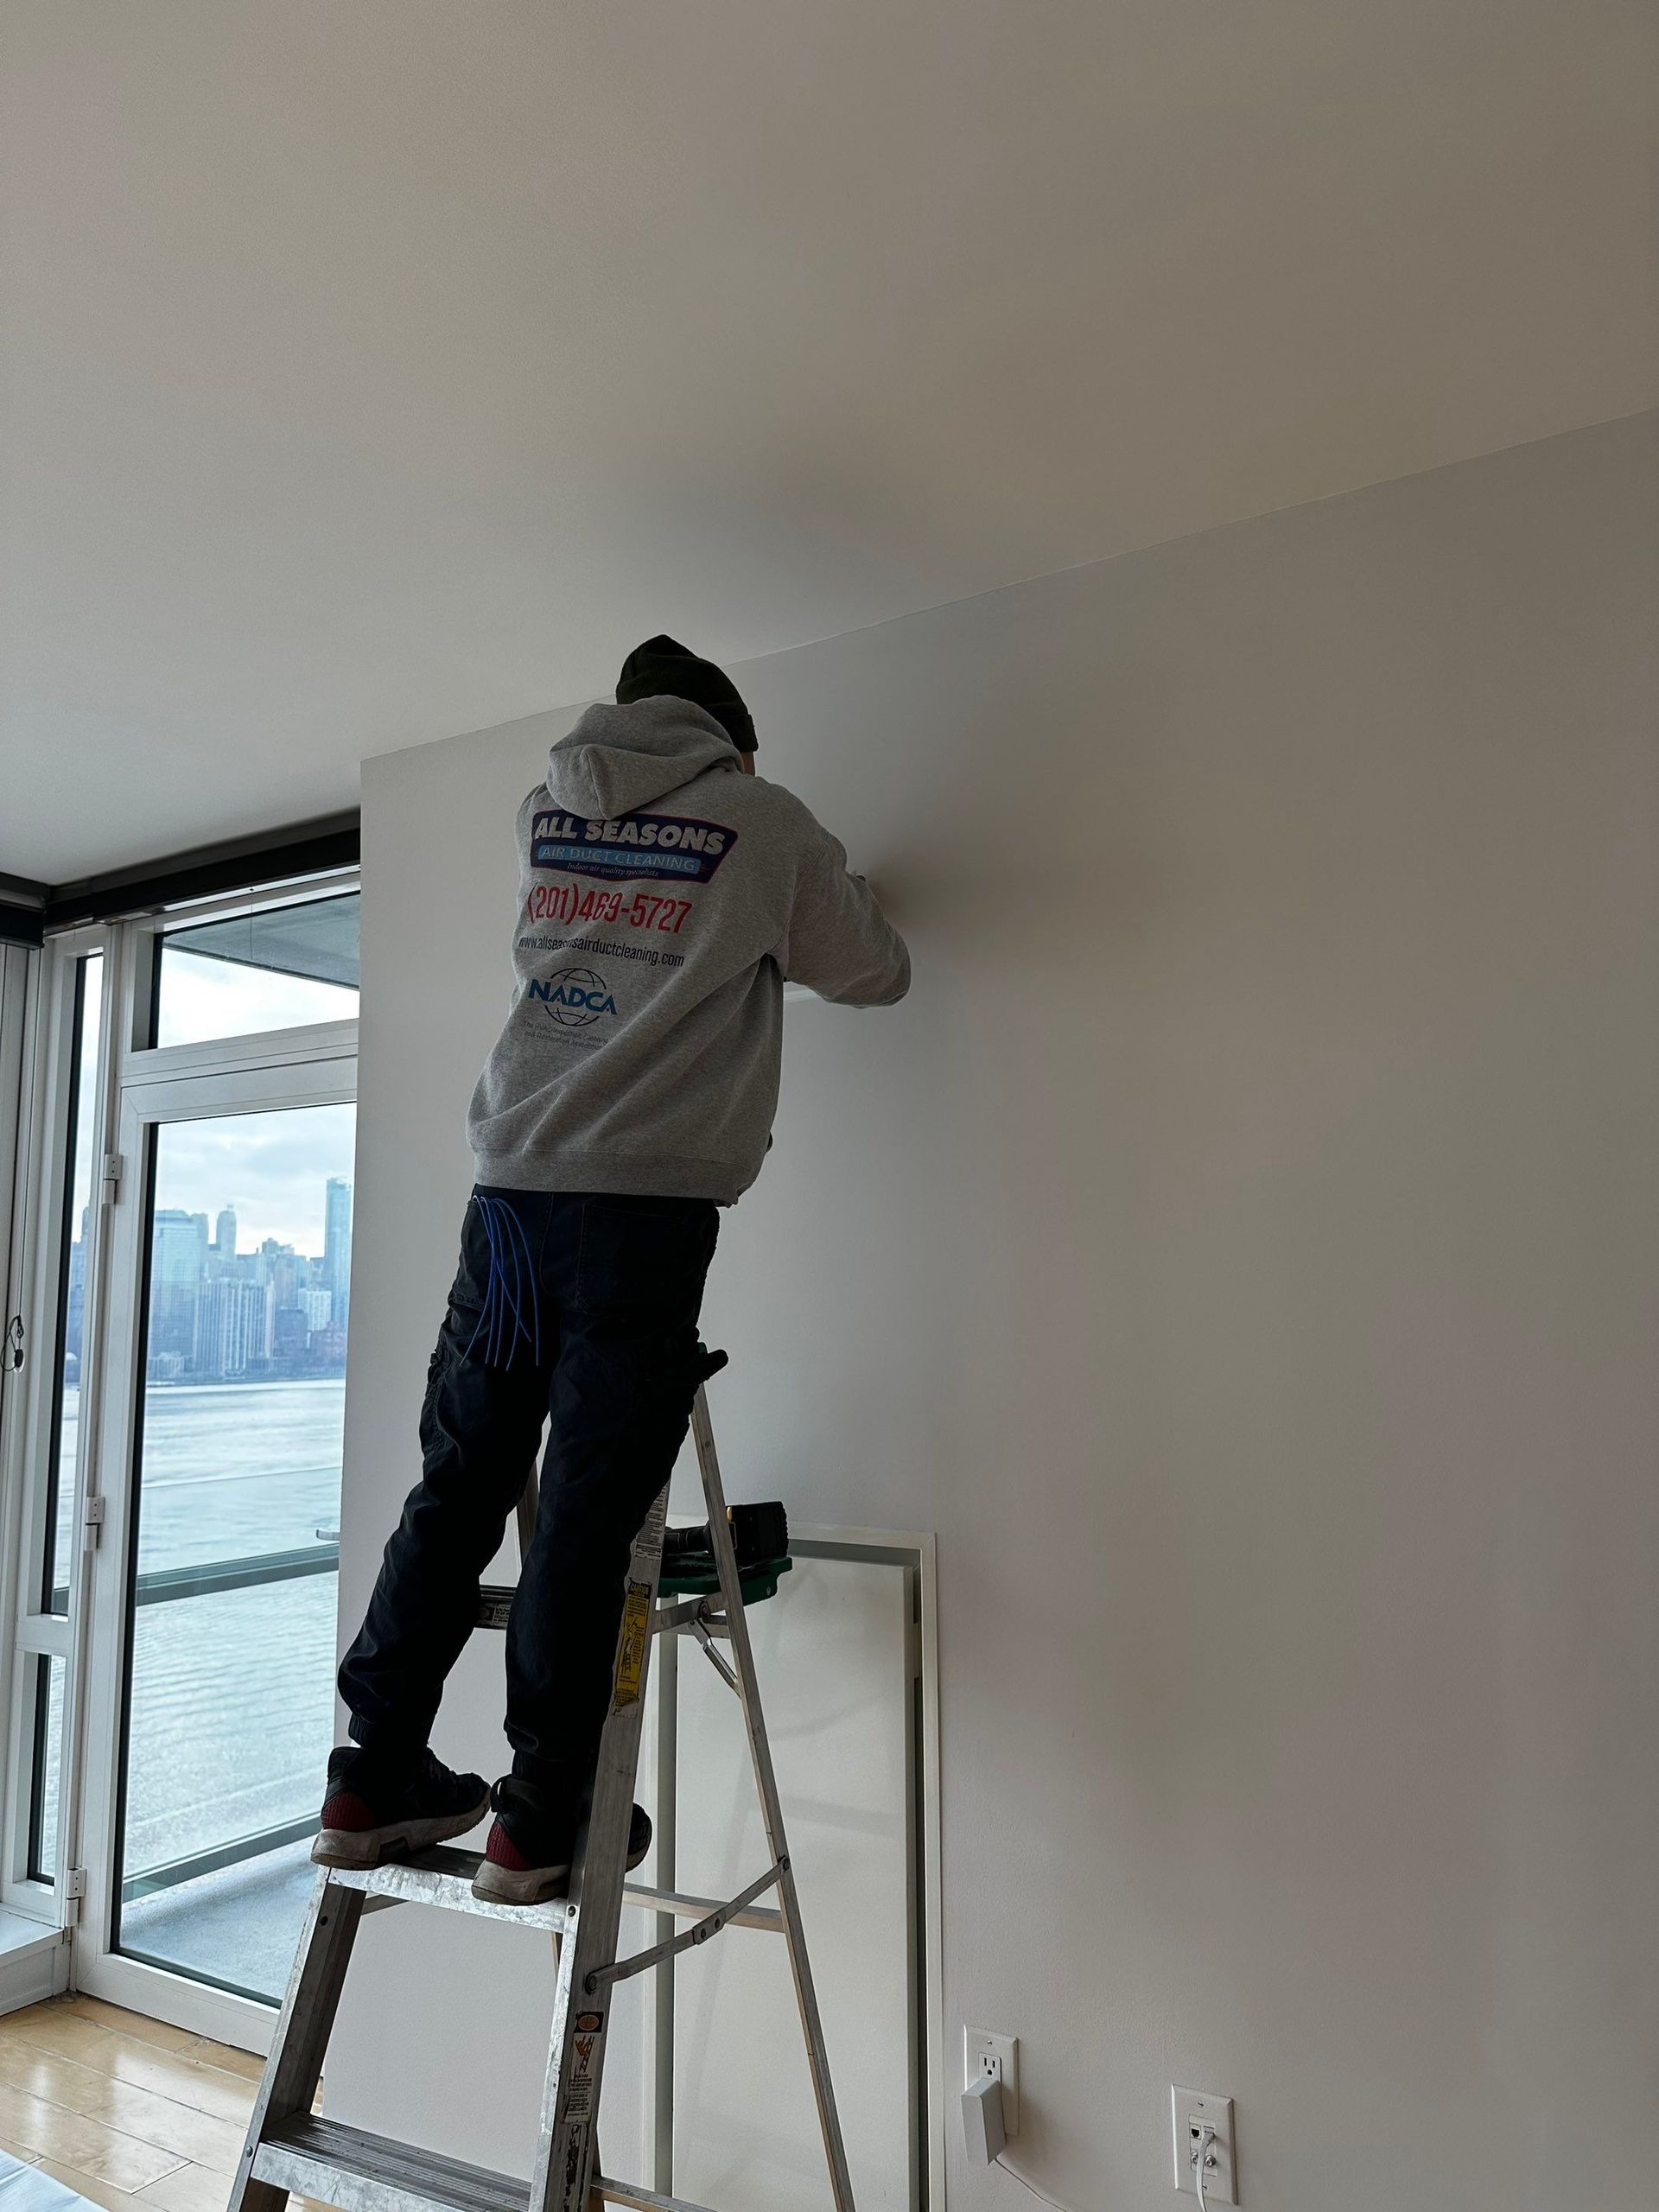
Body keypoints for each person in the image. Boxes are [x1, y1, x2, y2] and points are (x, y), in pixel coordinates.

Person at [314, 636, 910, 1904]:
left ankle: (371, 1773)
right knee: (584, 1508)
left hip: (509, 1188)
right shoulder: (757, 815)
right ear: (732, 742)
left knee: (463, 1476)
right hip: (639, 1206)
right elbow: (876, 967)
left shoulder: (549, 806)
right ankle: (544, 1814)